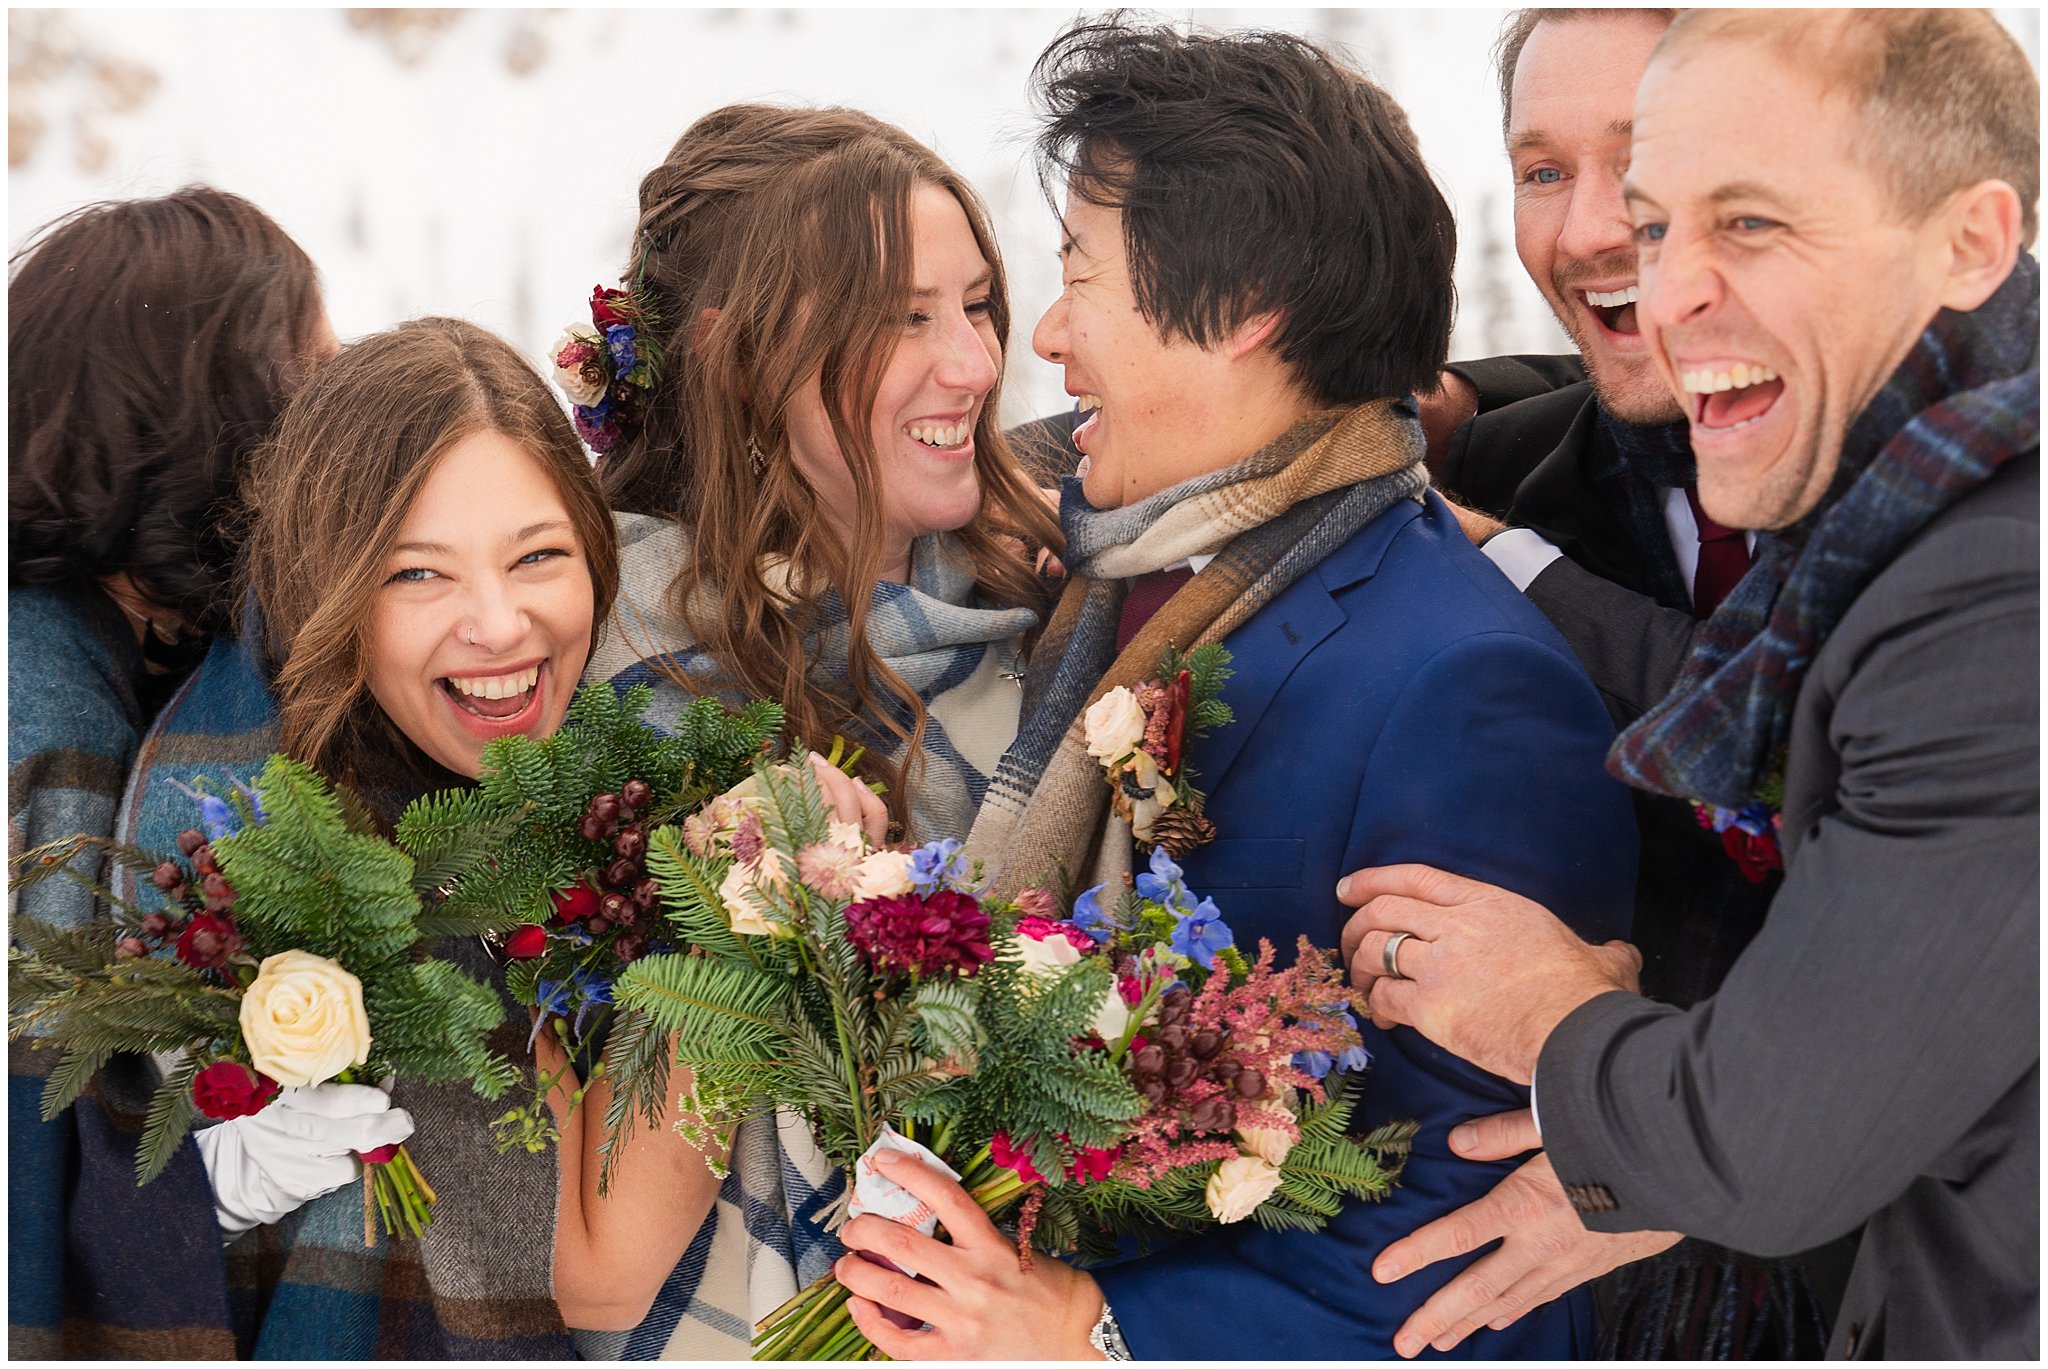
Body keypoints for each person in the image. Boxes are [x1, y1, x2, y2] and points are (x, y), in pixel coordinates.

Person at [827, 21, 1637, 1358]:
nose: (1049, 332)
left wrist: (1097, 1329)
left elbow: (1475, 1243)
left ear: (1248, 304)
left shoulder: (1461, 687)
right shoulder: (1104, 584)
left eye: (1083, 275)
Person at [1342, 9, 2037, 1360]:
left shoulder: (1989, 592)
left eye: (1751, 223)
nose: (1650, 282)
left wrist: (1553, 1019)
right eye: (1658, 225)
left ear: (1969, 242)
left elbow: (1774, 1138)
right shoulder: (1573, 448)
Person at [553, 104, 1064, 1356]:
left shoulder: (1052, 608)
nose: (973, 364)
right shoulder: (593, 658)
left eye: (977, 304)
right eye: (902, 318)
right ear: (738, 358)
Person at [1374, 10, 1842, 1358]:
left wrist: (1681, 1165)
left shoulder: (1974, 506)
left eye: (1640, 160)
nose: (1585, 230)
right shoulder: (1518, 463)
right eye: (1538, 169)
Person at [65, 316, 622, 1358]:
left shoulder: (635, 782)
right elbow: (87, 1214)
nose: (500, 624)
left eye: (538, 555)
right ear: (332, 583)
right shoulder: (221, 811)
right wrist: (212, 1193)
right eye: (419, 573)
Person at [7, 187, 333, 1358]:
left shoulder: (123, 662)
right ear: (219, 421)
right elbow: (27, 1132)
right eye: (313, 376)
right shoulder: (42, 711)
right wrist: (199, 1182)